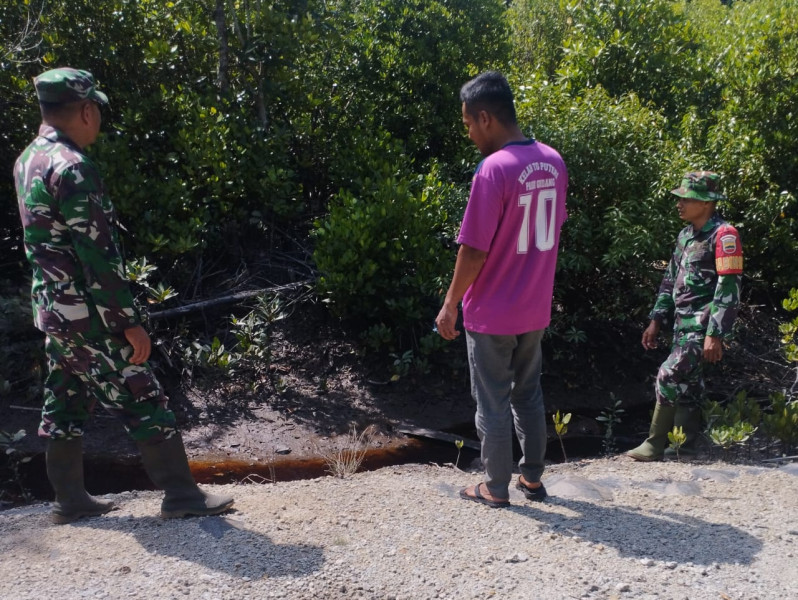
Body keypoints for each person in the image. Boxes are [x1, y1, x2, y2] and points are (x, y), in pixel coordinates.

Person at [14, 67, 234, 523]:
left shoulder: (26, 160)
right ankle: (182, 496)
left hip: (53, 311)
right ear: (87, 110)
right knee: (142, 392)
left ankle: (70, 501)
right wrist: (127, 322)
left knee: (66, 396)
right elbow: (97, 256)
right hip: (89, 313)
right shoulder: (72, 168)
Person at [435, 71, 568, 507]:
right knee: (529, 393)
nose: (469, 133)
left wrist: (451, 304)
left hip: (492, 312)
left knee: (491, 400)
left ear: (487, 117)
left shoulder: (493, 170)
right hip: (534, 309)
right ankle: (532, 479)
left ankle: (494, 487)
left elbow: (473, 249)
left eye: (469, 124)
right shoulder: (553, 161)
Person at [627, 171, 743, 461]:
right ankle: (685, 448)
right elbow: (669, 280)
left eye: (686, 199)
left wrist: (715, 334)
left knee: (668, 374)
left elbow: (729, 286)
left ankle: (654, 445)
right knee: (689, 385)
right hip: (681, 325)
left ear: (705, 203)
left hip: (701, 326)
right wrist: (656, 320)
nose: (679, 204)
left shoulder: (725, 235)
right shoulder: (685, 235)